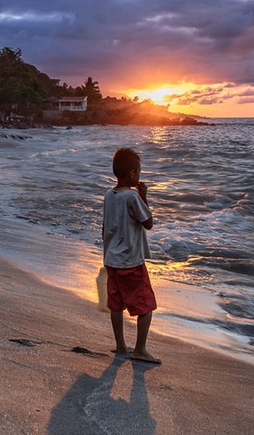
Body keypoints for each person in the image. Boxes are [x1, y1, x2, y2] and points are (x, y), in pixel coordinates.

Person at [102, 147, 160, 364]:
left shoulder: (109, 195)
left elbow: (105, 227)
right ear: (133, 174)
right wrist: (144, 197)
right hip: (131, 262)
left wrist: (107, 252)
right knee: (146, 305)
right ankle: (140, 349)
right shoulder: (132, 197)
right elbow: (149, 223)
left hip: (112, 260)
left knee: (116, 304)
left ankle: (120, 345)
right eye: (139, 171)